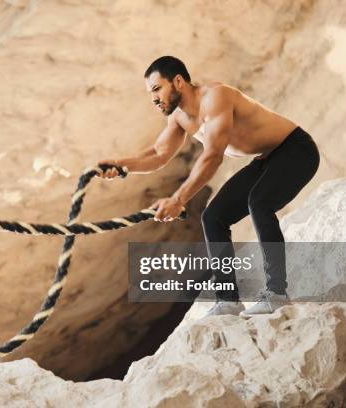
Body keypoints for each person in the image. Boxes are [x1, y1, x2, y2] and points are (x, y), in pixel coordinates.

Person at [97, 56, 320, 317]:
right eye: (151, 93)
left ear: (178, 81)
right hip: (267, 159)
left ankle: (277, 295)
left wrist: (178, 198)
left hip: (296, 149)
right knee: (214, 217)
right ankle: (228, 301)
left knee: (259, 202)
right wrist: (120, 164)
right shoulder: (179, 118)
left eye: (157, 89)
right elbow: (158, 154)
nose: (154, 99)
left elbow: (213, 155)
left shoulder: (216, 97)